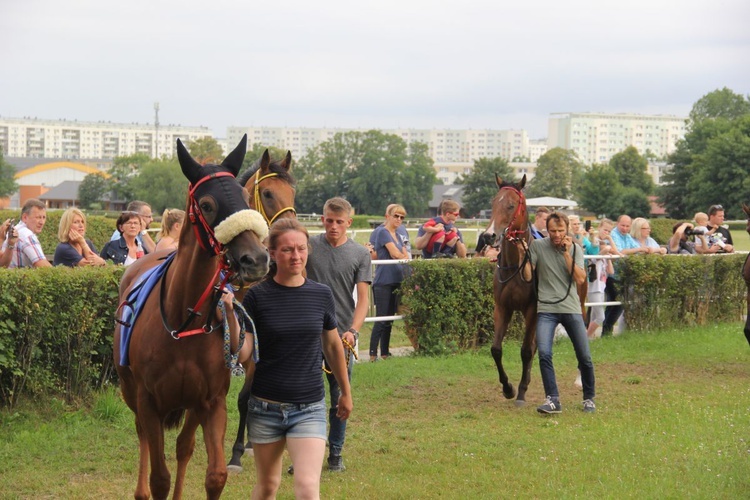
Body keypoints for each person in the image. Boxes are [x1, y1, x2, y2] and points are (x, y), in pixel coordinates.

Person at [240, 218, 352, 500]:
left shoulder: (321, 294)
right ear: (273, 253)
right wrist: (230, 318)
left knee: (306, 488)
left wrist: (345, 392)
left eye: (301, 248)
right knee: (268, 486)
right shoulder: (256, 296)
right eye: (288, 250)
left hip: (309, 407)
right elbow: (244, 354)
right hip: (265, 407)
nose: (296, 256)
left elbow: (333, 346)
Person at [305, 197, 371, 473]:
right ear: (322, 219)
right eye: (329, 221)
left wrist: (354, 330)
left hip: (341, 336)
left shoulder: (359, 254)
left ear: (348, 223)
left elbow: (364, 299)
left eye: (339, 222)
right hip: (307, 332)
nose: (333, 226)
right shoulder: (308, 245)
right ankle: (306, 456)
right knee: (306, 399)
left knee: (339, 397)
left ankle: (335, 454)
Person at [529, 211, 596, 414]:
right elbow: (527, 274)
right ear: (546, 230)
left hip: (571, 308)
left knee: (584, 355)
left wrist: (566, 252)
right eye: (552, 231)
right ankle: (552, 399)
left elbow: (580, 279)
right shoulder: (537, 246)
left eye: (560, 230)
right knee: (545, 353)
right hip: (546, 309)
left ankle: (589, 398)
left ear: (566, 229)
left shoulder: (574, 248)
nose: (556, 234)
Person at [369, 203, 410, 361]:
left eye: (402, 217)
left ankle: (384, 353)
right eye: (396, 216)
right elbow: (396, 254)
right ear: (388, 217)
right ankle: (373, 354)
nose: (399, 220)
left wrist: (402, 254)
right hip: (384, 281)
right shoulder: (382, 232)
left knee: (389, 320)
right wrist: (401, 254)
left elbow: (404, 254)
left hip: (396, 280)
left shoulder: (399, 235)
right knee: (381, 318)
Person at [601, 215, 647, 336]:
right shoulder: (614, 234)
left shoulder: (627, 236)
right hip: (612, 275)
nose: (625, 228)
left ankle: (606, 332)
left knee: (614, 304)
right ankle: (606, 330)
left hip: (621, 275)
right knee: (618, 303)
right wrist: (637, 250)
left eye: (627, 226)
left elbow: (637, 249)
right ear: (617, 223)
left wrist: (638, 250)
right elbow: (621, 252)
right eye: (623, 225)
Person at [586, 219, 616, 339]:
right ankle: (585, 337)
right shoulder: (594, 243)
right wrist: (606, 250)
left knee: (594, 315)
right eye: (605, 230)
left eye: (609, 231)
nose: (606, 233)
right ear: (599, 227)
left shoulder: (604, 252)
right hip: (594, 287)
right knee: (600, 317)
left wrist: (608, 258)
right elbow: (595, 258)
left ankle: (589, 337)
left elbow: (611, 271)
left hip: (600, 287)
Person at [4, 199, 51, 268]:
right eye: (38, 217)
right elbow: (42, 265)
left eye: (44, 217)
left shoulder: (17, 229)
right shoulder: (27, 235)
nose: (42, 222)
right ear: (25, 217)